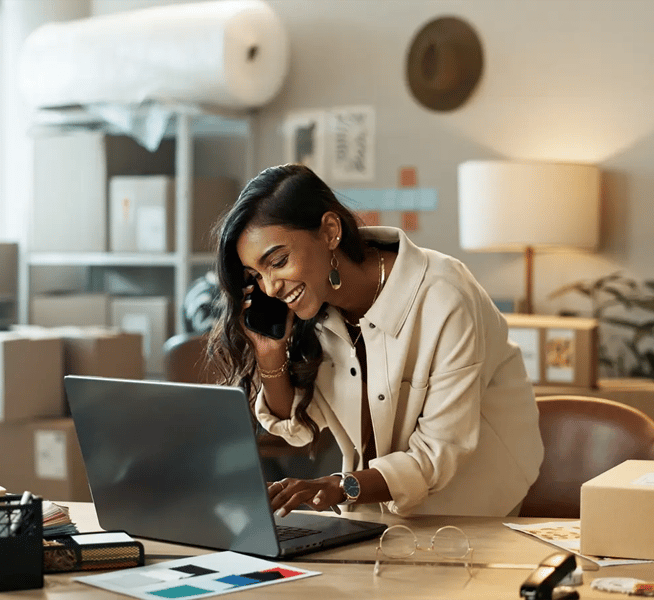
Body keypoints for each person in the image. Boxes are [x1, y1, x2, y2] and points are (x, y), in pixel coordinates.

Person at [208, 163, 544, 518]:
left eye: (278, 261)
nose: (270, 287)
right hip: (374, 514)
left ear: (330, 232)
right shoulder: (316, 311)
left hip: (471, 512)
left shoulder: (443, 295)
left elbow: (438, 453)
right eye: (256, 275)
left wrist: (338, 487)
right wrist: (269, 355)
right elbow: (297, 431)